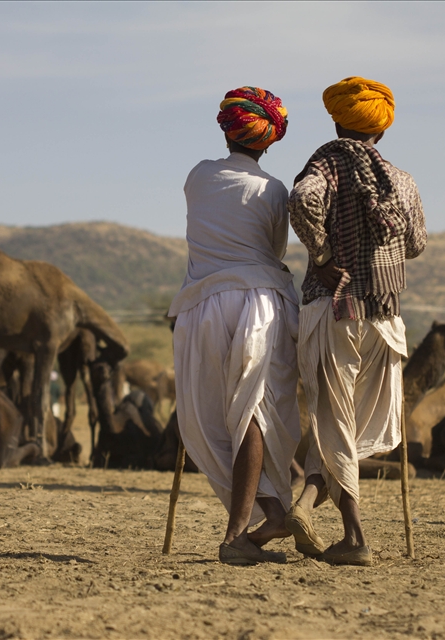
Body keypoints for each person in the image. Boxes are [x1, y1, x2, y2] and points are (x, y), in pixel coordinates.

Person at [285, 77, 427, 566]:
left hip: (333, 308)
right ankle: (303, 506)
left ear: (337, 120)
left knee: (332, 420)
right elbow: (415, 244)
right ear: (380, 132)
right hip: (385, 317)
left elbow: (302, 200)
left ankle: (353, 535)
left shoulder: (325, 163)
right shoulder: (403, 180)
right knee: (349, 424)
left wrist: (323, 253)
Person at [168, 86, 301, 565]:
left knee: (216, 418)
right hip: (259, 303)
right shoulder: (273, 191)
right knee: (255, 415)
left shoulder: (197, 177)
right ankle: (238, 535)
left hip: (200, 306)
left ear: (227, 131)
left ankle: (274, 512)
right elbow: (274, 251)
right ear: (269, 141)